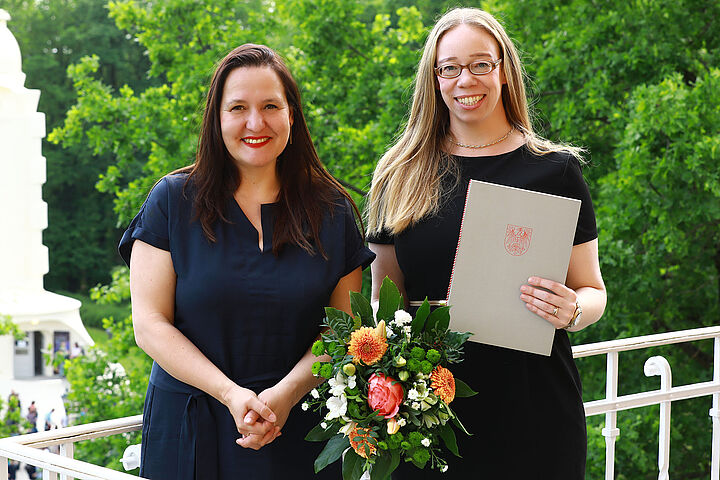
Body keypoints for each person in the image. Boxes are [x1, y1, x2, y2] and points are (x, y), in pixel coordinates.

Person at [366, 8, 606, 479]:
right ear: (434, 79)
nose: (465, 80)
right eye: (449, 68)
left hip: (535, 411)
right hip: (426, 415)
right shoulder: (399, 173)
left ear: (503, 70)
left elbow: (593, 290)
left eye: (480, 64)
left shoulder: (555, 170)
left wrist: (573, 310)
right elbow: (379, 299)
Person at [119, 43, 374, 480]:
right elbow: (150, 324)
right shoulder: (172, 201)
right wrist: (232, 394)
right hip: (192, 424)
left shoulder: (332, 209)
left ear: (291, 115)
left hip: (296, 424)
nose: (255, 123)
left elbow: (344, 329)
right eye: (237, 107)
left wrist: (287, 394)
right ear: (217, 119)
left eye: (271, 106)